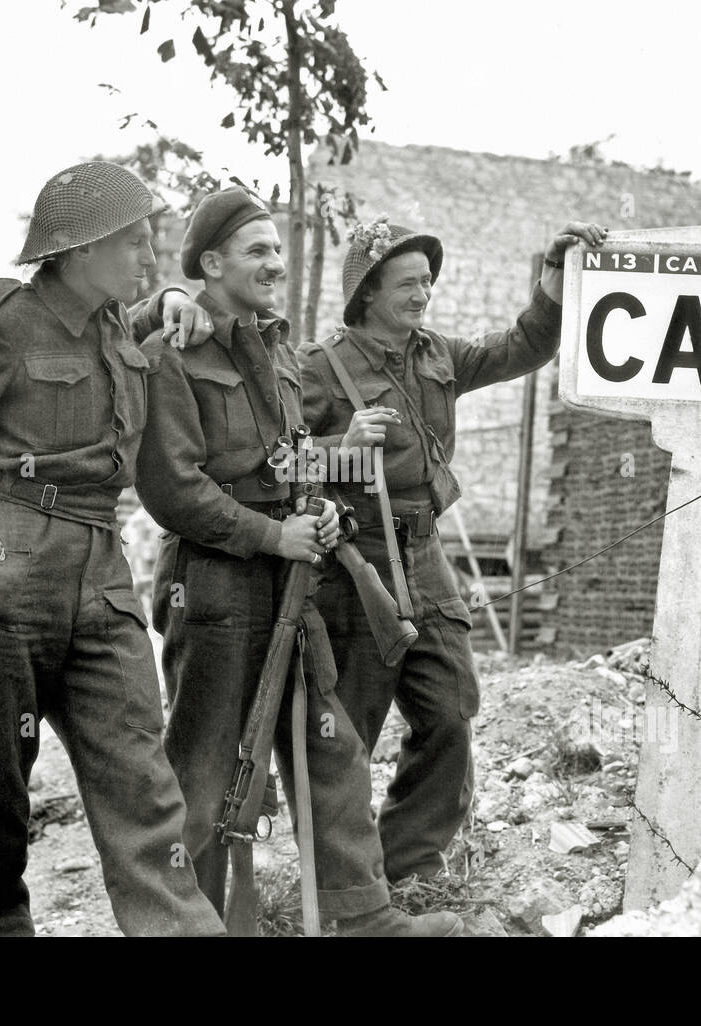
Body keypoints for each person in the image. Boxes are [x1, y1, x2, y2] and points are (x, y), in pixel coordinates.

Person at [0, 161, 224, 937]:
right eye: (135, 244)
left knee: (142, 780)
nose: (149, 259)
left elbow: (126, 335)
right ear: (80, 249)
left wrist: (164, 301)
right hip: (11, 558)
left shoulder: (109, 326)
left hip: (102, 571)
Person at [136, 187, 463, 936]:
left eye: (278, 250)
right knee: (208, 767)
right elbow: (174, 490)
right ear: (210, 263)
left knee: (330, 747)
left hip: (291, 586)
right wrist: (273, 533)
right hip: (215, 588)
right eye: (257, 251)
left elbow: (286, 459)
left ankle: (362, 918)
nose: (275, 264)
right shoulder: (171, 354)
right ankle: (193, 927)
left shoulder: (281, 352)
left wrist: (328, 483)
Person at [297, 215, 607, 883]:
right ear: (368, 292)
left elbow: (523, 345)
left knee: (448, 712)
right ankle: (344, 882)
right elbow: (278, 463)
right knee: (347, 728)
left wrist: (553, 278)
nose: (423, 294)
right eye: (407, 283)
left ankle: (408, 861)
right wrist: (340, 449)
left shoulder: (437, 354)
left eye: (428, 282)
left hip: (426, 555)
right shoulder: (318, 369)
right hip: (353, 561)